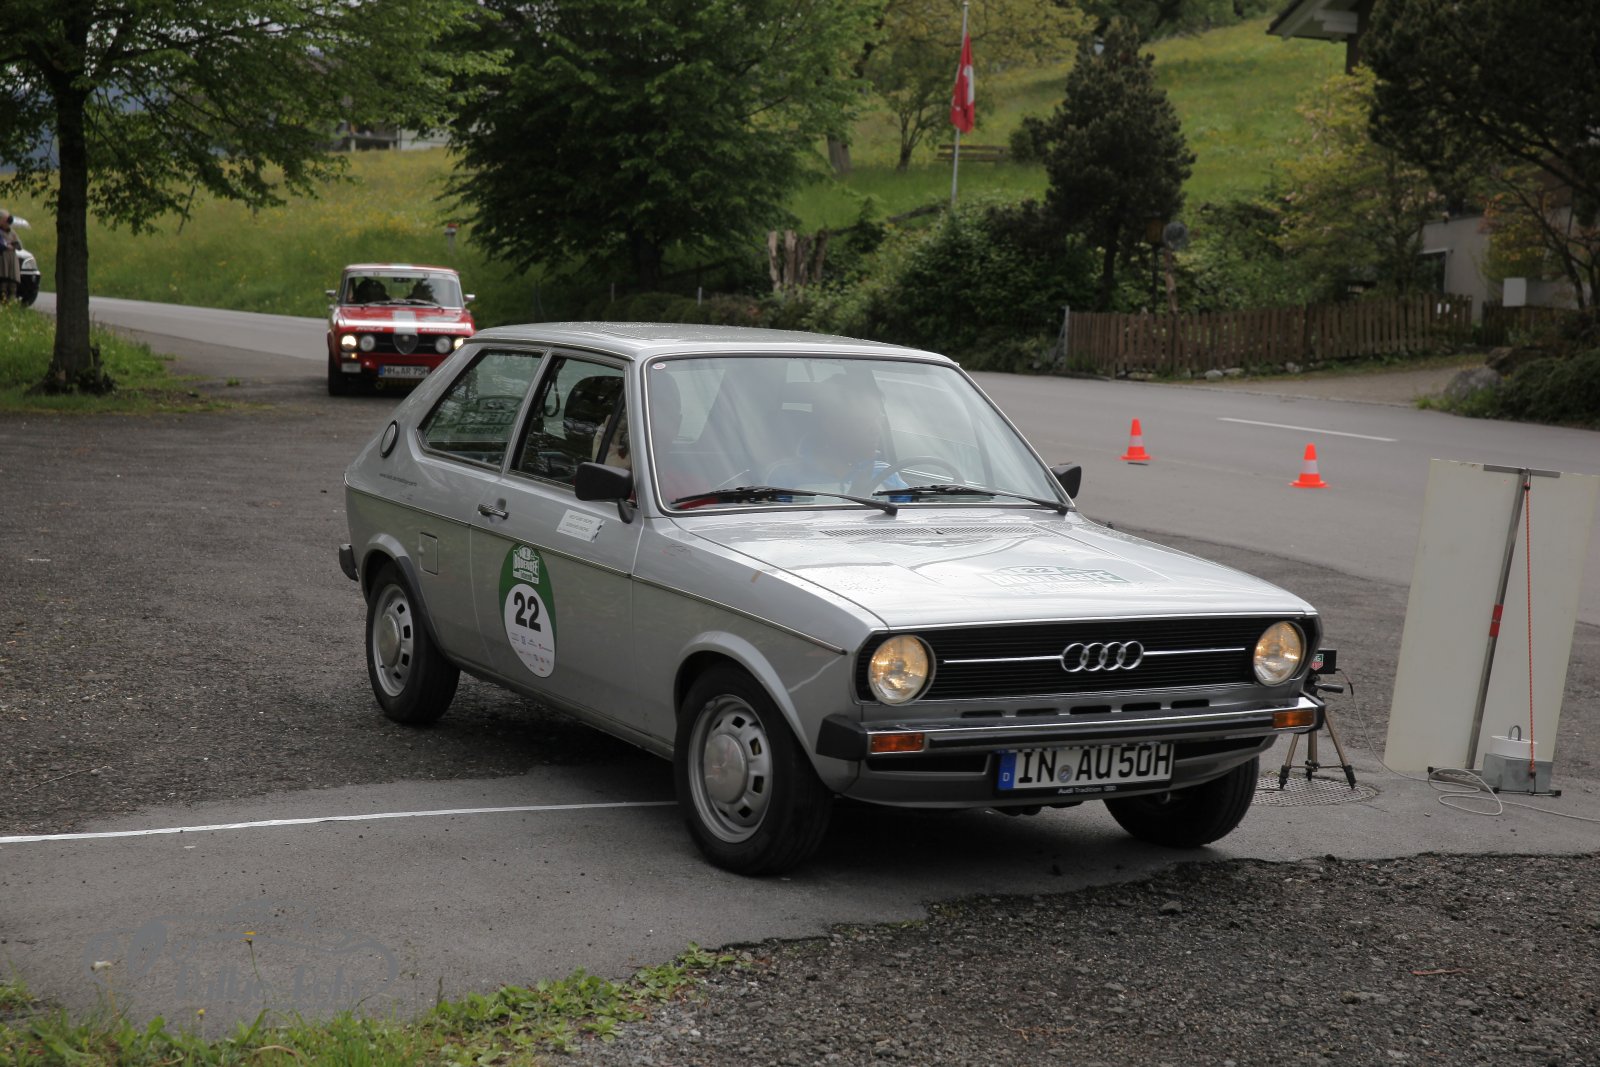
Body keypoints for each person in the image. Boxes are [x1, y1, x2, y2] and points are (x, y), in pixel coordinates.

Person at [765, 373, 909, 498]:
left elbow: (909, 512)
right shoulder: (786, 477)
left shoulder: (886, 474)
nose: (876, 430)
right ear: (832, 425)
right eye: (863, 421)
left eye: (879, 420)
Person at [0, 214, 19, 304]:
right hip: (3, 258)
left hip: (12, 258)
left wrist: (14, 244)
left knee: (12, 282)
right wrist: (5, 246)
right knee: (3, 282)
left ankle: (12, 302)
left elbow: (19, 245)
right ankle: (3, 301)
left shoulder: (13, 233)